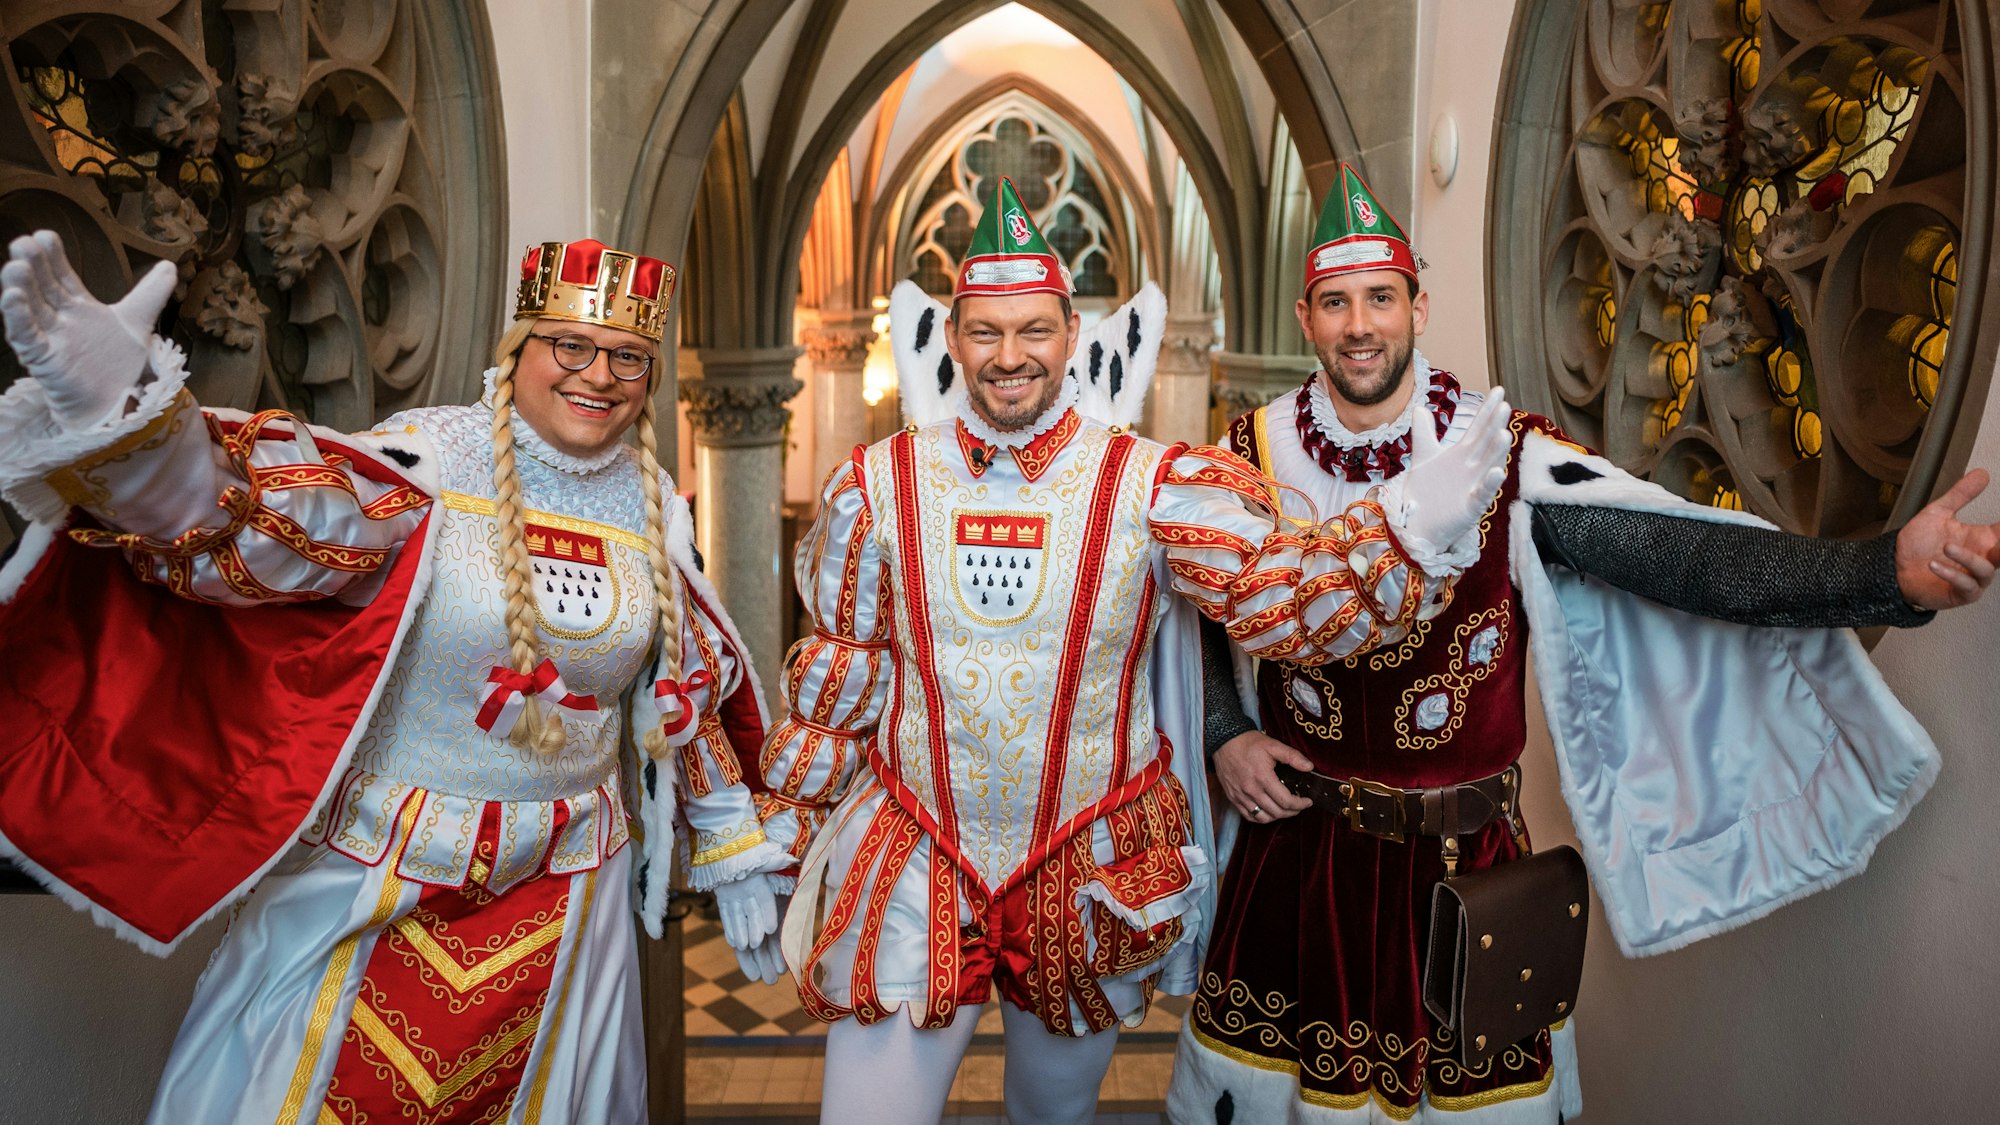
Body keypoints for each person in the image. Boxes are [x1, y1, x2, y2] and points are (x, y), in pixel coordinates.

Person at [1165, 165, 2000, 1123]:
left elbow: (1683, 559)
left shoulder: (1503, 456)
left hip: (1463, 875)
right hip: (1298, 869)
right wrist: (1226, 728)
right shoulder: (1243, 461)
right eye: (1338, 303)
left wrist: (1883, 573)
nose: (1361, 325)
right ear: (1308, 319)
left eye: (1381, 298)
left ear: (1417, 304)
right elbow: (1191, 612)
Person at [728, 176, 1517, 1125]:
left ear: (1071, 329)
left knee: (1050, 1118)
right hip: (914, 851)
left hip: (1085, 861)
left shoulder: (1156, 483)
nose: (1010, 356)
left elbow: (1284, 603)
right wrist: (772, 843)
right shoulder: (876, 484)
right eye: (986, 330)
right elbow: (841, 678)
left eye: (1034, 330)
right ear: (952, 334)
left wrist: (1403, 532)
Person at [0, 233, 791, 1122]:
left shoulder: (651, 511)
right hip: (377, 881)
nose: (597, 375)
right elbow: (274, 526)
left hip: (570, 899)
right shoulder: (431, 459)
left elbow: (685, 690)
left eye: (628, 357)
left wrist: (728, 836)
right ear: (518, 348)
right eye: (570, 344)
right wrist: (140, 413)